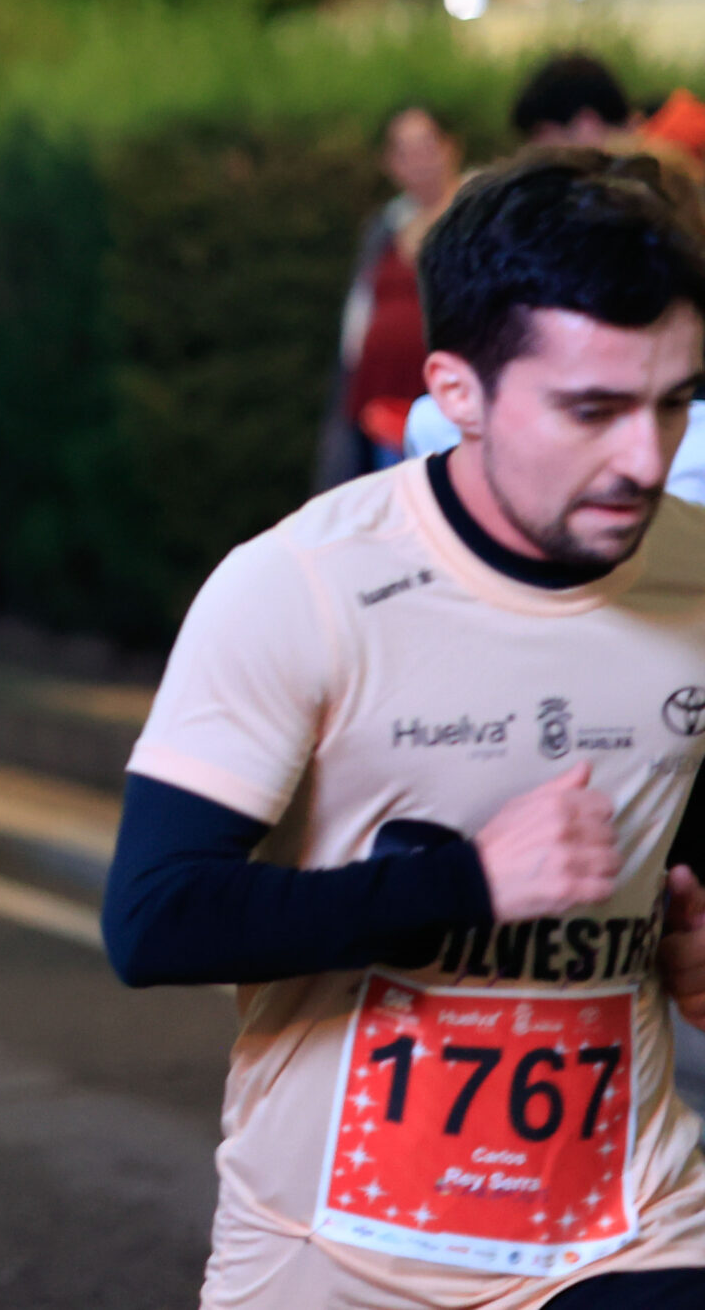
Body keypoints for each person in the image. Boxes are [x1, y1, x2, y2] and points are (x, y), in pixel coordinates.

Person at [105, 150, 705, 1308]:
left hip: (622, 1232)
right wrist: (464, 886)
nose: (646, 459)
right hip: (336, 1255)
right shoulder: (301, 587)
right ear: (456, 392)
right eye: (590, 410)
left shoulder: (699, 576)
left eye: (674, 402)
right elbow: (154, 918)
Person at [315, 106, 466, 491]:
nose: (418, 162)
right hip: (382, 400)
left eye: (426, 147)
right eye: (405, 151)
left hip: (448, 399)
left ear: (451, 147)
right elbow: (359, 309)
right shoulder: (385, 225)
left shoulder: (476, 215)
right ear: (390, 163)